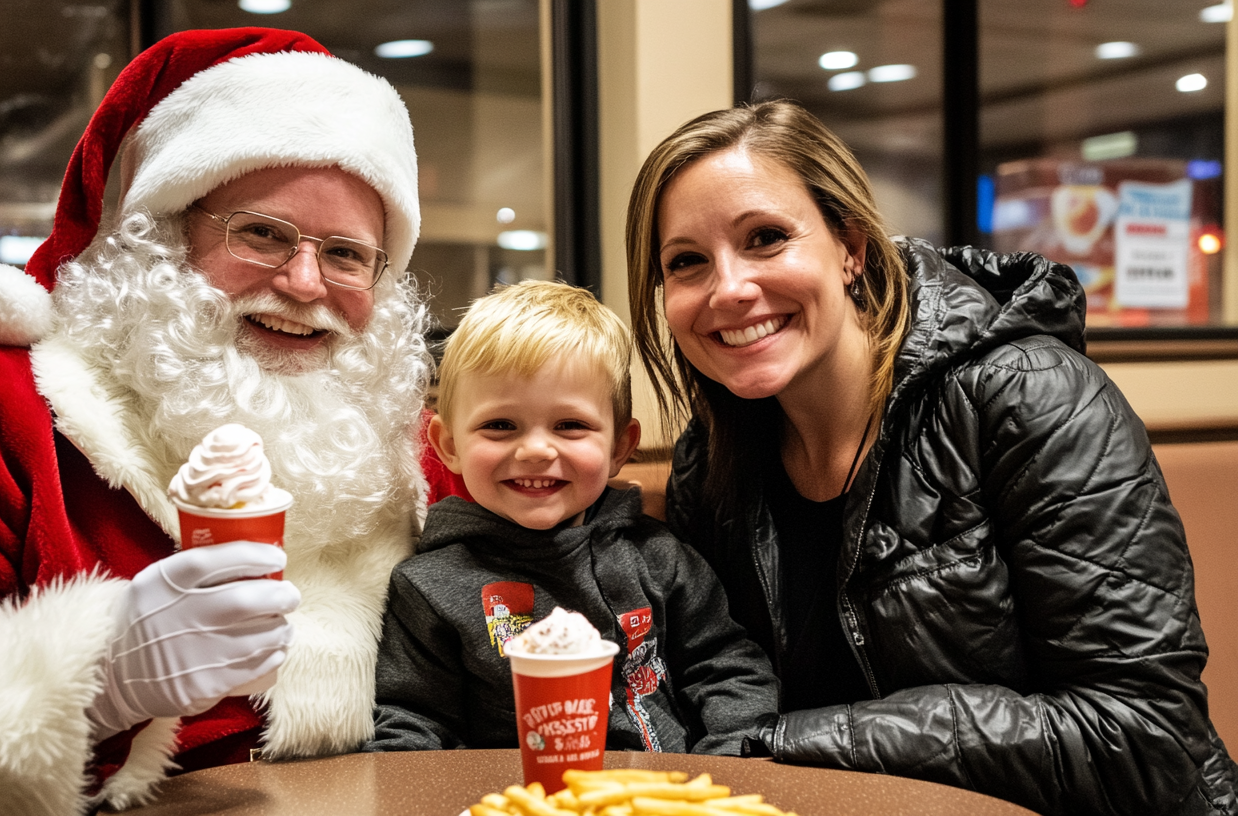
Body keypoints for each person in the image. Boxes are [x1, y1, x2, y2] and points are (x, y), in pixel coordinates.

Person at [0, 28, 431, 816]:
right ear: (160, 233)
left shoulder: (414, 457)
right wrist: (98, 678)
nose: (303, 282)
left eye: (347, 254)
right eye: (261, 233)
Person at [623, 99, 1238, 816]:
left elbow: (1144, 737)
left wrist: (787, 741)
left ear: (849, 245)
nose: (728, 288)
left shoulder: (1030, 398)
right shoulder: (715, 461)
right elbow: (710, 699)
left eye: (765, 237)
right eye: (687, 262)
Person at [366, 280, 779, 755]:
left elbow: (726, 667)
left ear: (620, 447)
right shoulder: (428, 586)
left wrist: (729, 762)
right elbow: (413, 721)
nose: (537, 449)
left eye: (571, 426)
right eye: (500, 425)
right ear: (450, 446)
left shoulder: (660, 557)